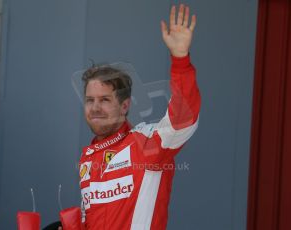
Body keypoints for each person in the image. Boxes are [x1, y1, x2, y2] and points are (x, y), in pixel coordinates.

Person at [78, 4, 200, 229]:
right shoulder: (88, 158)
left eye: (104, 100)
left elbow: (182, 121)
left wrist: (180, 59)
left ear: (124, 106)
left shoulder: (144, 143)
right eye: (89, 100)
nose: (95, 107)